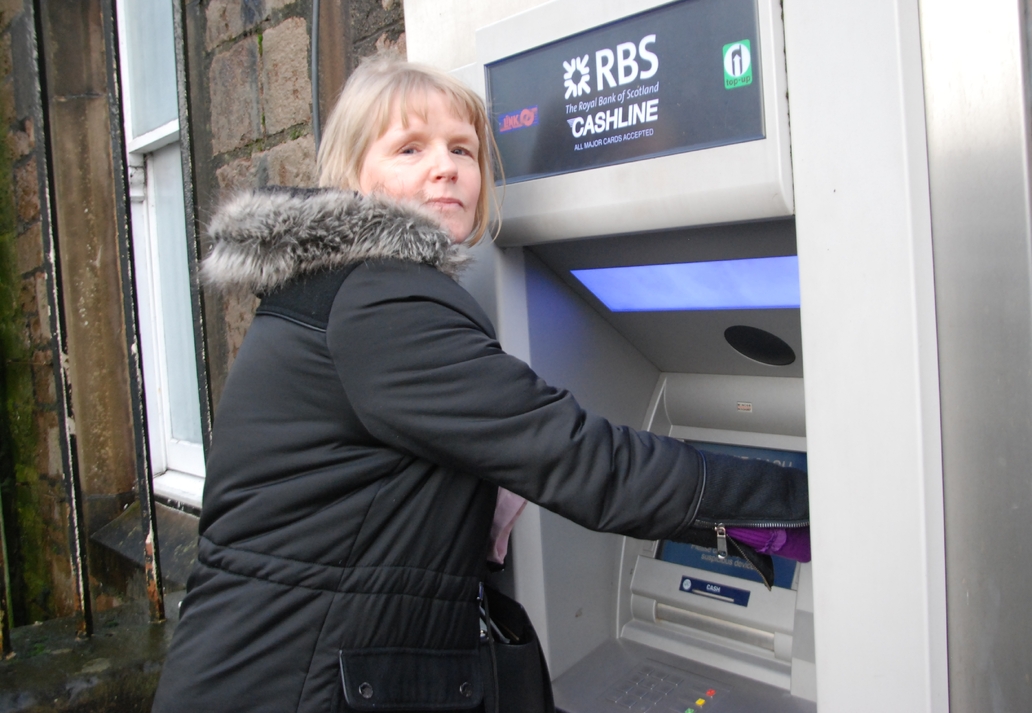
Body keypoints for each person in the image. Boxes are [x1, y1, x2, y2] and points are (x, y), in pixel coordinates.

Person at [151, 54, 809, 713]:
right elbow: (573, 455)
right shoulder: (380, 301)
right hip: (291, 683)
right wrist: (790, 498)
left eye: (462, 148)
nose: (447, 166)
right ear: (353, 175)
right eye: (410, 147)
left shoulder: (339, 289)